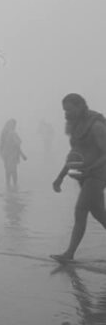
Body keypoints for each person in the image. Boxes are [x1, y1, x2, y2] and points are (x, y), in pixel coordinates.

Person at [51, 94, 106, 262]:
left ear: (81, 105)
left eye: (69, 109)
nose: (66, 114)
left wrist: (91, 169)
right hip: (85, 175)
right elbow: (74, 156)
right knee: (98, 213)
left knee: (80, 210)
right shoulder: (74, 126)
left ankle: (69, 254)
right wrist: (60, 177)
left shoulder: (96, 125)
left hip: (98, 174)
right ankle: (69, 254)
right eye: (64, 110)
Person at [0, 119, 27, 190]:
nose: (15, 126)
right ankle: (14, 188)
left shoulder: (5, 132)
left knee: (8, 171)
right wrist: (22, 155)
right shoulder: (11, 133)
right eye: (14, 124)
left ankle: (9, 188)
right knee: (13, 171)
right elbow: (17, 144)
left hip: (6, 155)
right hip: (11, 155)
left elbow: (2, 145)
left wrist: (2, 154)